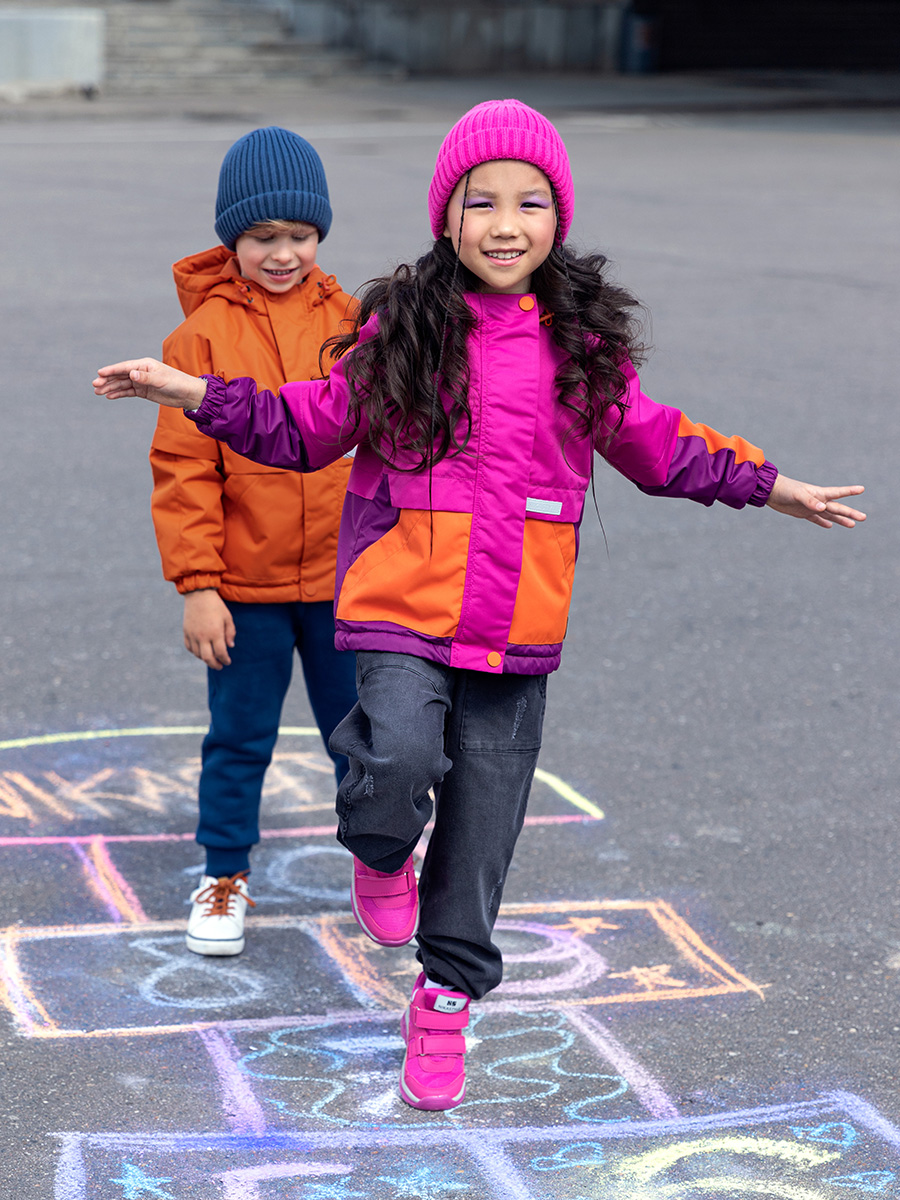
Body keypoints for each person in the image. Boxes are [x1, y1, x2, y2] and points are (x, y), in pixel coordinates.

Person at [94, 99, 865, 1110]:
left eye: (530, 203)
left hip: (515, 626)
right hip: (402, 605)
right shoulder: (402, 330)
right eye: (482, 202)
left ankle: (446, 996)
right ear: (446, 219)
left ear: (558, 219)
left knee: (480, 835)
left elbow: (662, 446)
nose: (506, 224)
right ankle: (376, 849)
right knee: (394, 758)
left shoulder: (581, 349)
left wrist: (771, 485)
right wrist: (194, 393)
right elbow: (305, 426)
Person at [148, 127, 358, 959]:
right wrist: (199, 584)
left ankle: (383, 867)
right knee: (239, 738)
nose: (282, 253)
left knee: (366, 738)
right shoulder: (198, 340)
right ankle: (224, 872)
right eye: (263, 237)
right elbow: (184, 469)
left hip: (349, 581)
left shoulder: (354, 322)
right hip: (245, 588)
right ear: (231, 237)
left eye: (299, 236)